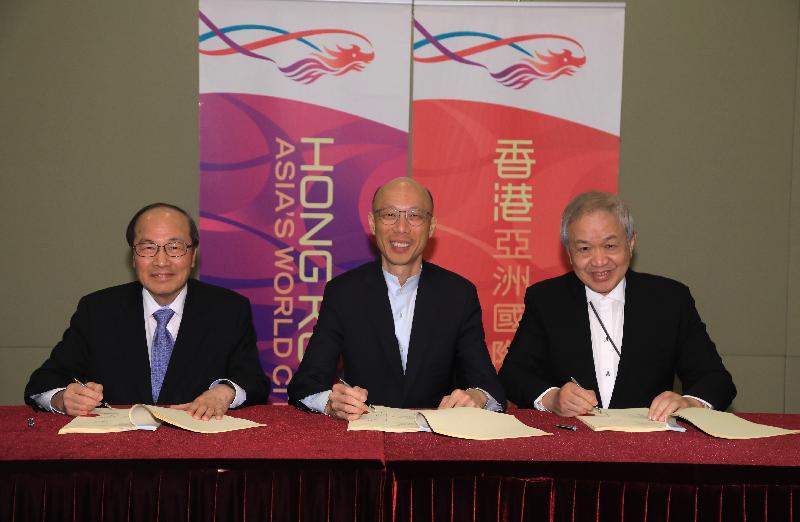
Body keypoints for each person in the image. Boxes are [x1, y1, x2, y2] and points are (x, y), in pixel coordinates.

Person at [498, 191, 736, 421]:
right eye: (584, 249)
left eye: (610, 246)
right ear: (569, 253)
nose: (599, 261)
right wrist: (552, 399)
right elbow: (513, 375)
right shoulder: (547, 299)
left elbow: (716, 380)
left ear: (631, 243)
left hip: (650, 442)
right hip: (569, 440)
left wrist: (690, 403)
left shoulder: (670, 299)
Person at [25, 203, 270, 419]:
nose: (161, 261)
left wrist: (225, 392)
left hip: (199, 449)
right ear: (133, 256)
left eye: (175, 247)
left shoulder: (228, 310)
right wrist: (63, 399)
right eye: (148, 247)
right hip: (115, 450)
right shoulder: (98, 311)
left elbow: (254, 382)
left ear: (193, 255)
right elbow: (43, 382)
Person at [288, 177, 506, 420]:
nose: (401, 228)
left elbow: (488, 385)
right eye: (389, 215)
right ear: (373, 223)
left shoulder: (458, 294)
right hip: (362, 434)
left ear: (431, 226)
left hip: (436, 437)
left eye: (415, 216)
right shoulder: (344, 292)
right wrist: (331, 403)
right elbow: (306, 384)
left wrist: (477, 396)